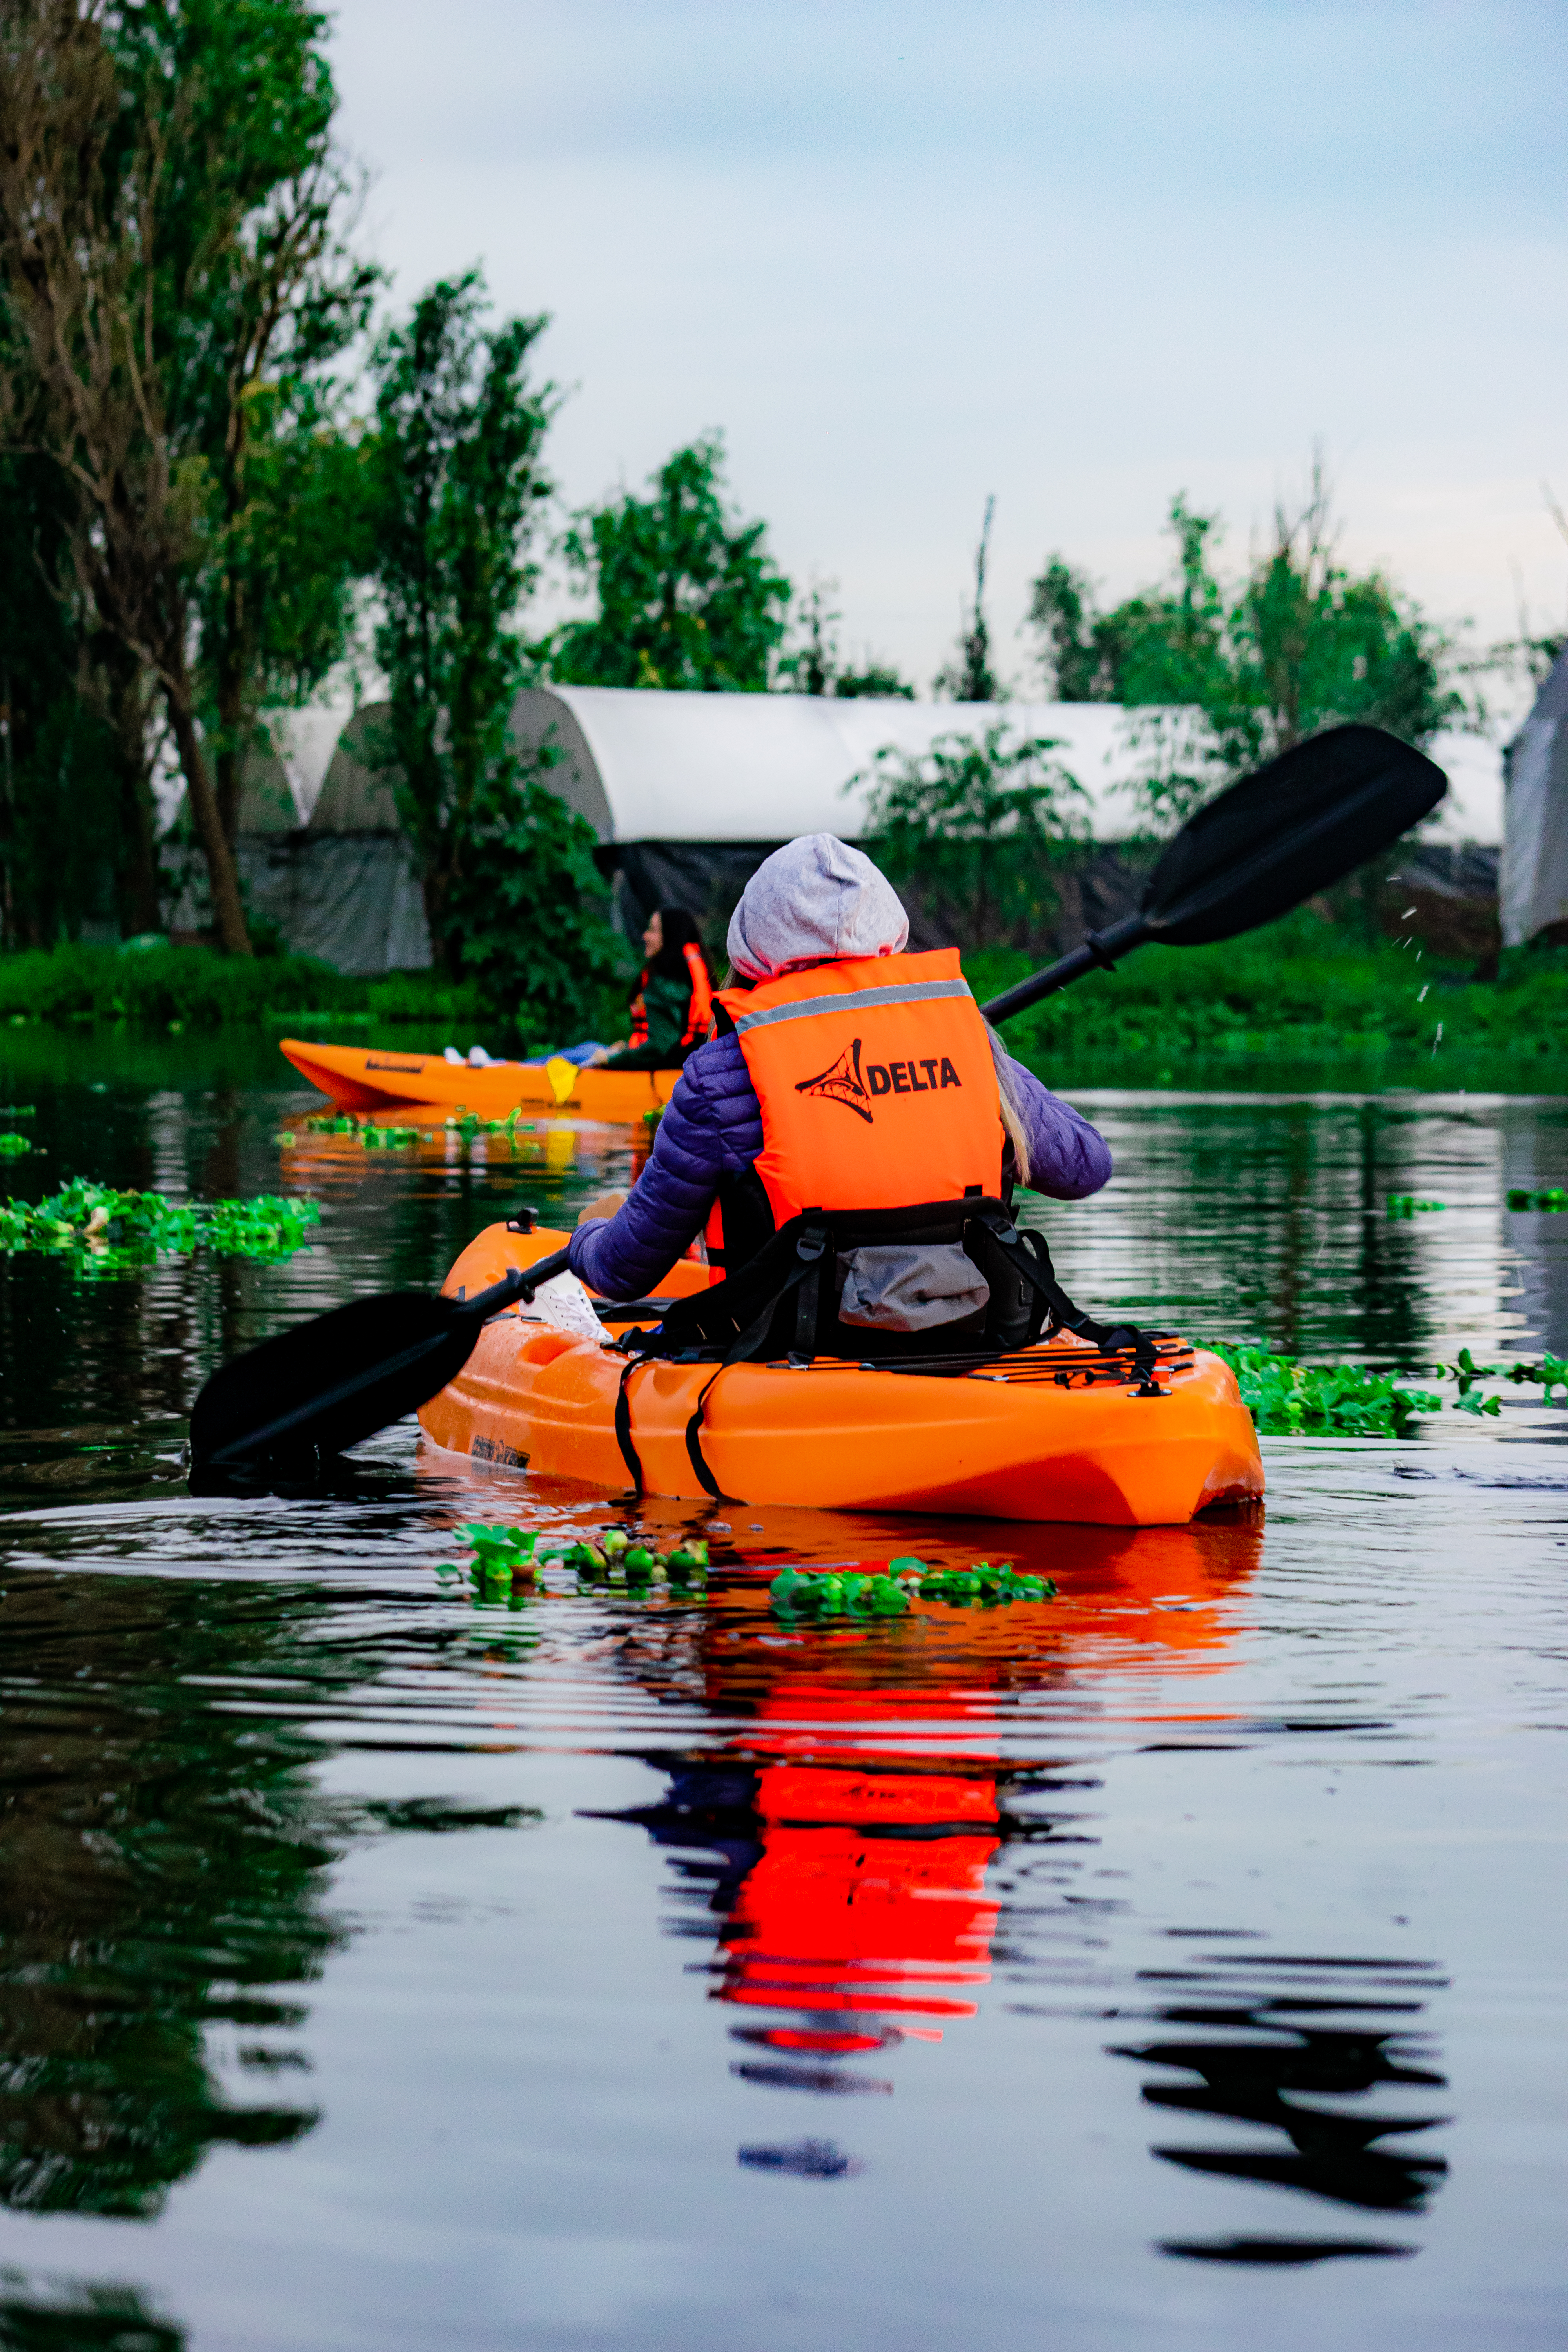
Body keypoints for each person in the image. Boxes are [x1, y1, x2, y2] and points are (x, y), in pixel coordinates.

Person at [568, 835, 1112, 1356]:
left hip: (786, 1350)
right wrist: (978, 1057)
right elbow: (1086, 1165)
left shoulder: (718, 1076)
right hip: (962, 1336)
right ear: (888, 933)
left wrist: (588, 1235)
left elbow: (623, 1272)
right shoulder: (970, 1045)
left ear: (754, 950)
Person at [591, 907, 713, 1071]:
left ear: (671, 936)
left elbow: (660, 1047)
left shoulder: (664, 982)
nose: (645, 936)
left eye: (653, 930)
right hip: (689, 1064)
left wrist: (612, 1060)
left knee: (584, 1051)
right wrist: (625, 1048)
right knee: (589, 1047)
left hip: (665, 1068)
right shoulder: (694, 974)